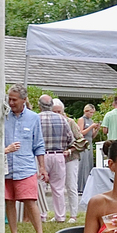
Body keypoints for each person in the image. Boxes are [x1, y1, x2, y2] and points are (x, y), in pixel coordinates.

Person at [2, 85, 46, 233]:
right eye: (9, 99)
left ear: (23, 100)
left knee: (29, 200)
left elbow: (39, 144)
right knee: (9, 201)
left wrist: (42, 167)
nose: (11, 102)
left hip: (26, 167)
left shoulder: (33, 118)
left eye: (14, 99)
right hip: (7, 167)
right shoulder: (4, 116)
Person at [37, 93, 82, 223]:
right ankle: (60, 216)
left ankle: (42, 215)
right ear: (51, 106)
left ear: (40, 106)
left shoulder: (36, 118)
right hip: (59, 155)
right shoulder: (62, 119)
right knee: (58, 188)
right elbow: (70, 139)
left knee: (40, 186)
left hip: (41, 155)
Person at [54, 99, 84, 222]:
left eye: (59, 111)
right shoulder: (51, 123)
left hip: (71, 158)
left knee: (71, 185)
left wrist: (70, 150)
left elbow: (81, 140)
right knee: (57, 187)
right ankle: (59, 214)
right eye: (54, 112)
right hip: (56, 157)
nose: (57, 114)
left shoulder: (70, 122)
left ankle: (73, 215)